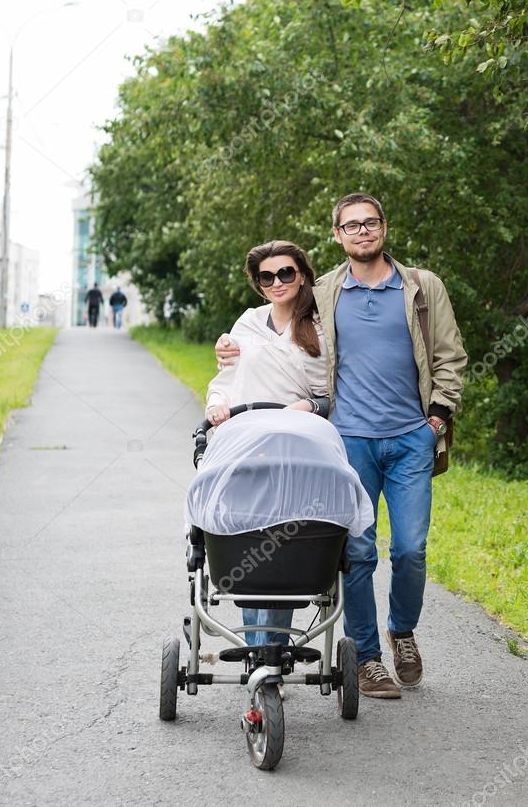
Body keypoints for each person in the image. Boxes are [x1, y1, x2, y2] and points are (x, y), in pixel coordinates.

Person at [217, 194, 467, 698]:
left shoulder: (422, 287)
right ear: (336, 234)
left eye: (369, 223)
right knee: (355, 551)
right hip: (348, 440)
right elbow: (277, 332)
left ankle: (402, 631)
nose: (361, 232)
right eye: (350, 226)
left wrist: (437, 418)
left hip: (410, 440)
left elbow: (450, 355)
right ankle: (369, 658)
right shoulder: (324, 292)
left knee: (411, 549)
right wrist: (229, 348)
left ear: (384, 228)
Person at [206, 240, 330, 647]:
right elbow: (226, 380)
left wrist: (308, 405)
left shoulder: (322, 325)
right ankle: (253, 647)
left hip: (296, 447)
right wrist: (216, 406)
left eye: (286, 273)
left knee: (284, 546)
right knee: (246, 537)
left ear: (302, 274)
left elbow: (333, 392)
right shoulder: (247, 324)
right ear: (258, 284)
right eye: (267, 277)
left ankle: (269, 650)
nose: (277, 282)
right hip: (245, 444)